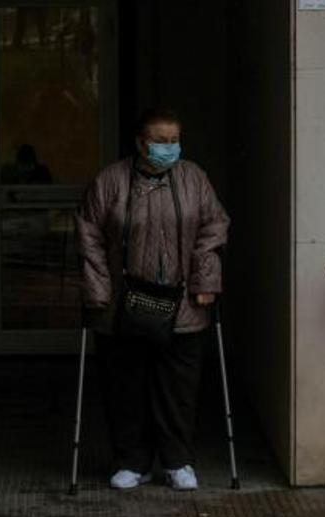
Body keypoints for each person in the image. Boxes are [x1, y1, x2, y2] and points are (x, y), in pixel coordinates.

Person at [76, 107, 229, 492]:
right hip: (122, 304)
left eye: (174, 140)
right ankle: (132, 462)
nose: (168, 148)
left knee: (178, 389)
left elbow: (214, 226)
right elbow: (89, 234)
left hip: (183, 304)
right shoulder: (111, 180)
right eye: (160, 141)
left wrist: (205, 278)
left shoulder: (194, 178)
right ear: (140, 143)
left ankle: (178, 462)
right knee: (126, 386)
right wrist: (97, 290)